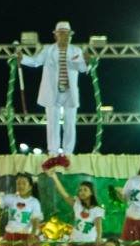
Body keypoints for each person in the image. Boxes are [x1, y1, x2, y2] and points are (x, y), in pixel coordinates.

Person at [19, 21, 91, 155]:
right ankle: (53, 152)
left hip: (69, 92)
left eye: (67, 34)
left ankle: (68, 153)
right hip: (52, 92)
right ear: (56, 35)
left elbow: (82, 69)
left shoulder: (76, 50)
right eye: (61, 33)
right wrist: (22, 58)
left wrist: (86, 62)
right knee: (52, 123)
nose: (64, 36)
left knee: (70, 123)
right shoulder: (48, 50)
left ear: (70, 35)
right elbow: (35, 62)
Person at [46, 166, 105, 246]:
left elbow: (98, 225)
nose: (81, 192)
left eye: (85, 190)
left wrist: (99, 237)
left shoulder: (97, 209)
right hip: (77, 243)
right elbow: (64, 194)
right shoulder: (77, 205)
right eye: (80, 190)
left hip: (90, 244)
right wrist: (54, 177)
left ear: (92, 192)